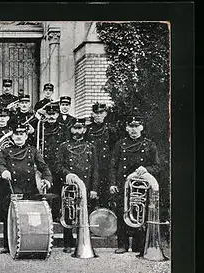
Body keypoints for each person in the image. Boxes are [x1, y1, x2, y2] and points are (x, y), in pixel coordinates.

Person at [0, 123, 53, 254]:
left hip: (29, 189)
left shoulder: (33, 151)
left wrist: (48, 180)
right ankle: (8, 244)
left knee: (29, 217)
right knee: (9, 217)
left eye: (22, 134)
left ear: (26, 136)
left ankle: (30, 243)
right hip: (12, 189)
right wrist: (3, 171)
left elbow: (44, 167)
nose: (19, 137)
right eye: (16, 134)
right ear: (12, 136)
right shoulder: (5, 151)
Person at [109, 115, 160, 254]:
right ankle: (122, 245)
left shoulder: (149, 145)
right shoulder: (120, 144)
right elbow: (113, 166)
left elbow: (157, 166)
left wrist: (146, 169)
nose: (133, 129)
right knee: (122, 213)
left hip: (141, 187)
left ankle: (139, 246)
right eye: (131, 126)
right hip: (123, 185)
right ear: (126, 128)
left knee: (140, 214)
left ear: (141, 128)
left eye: (136, 126)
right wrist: (112, 183)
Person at [56, 118, 99, 253]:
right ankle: (68, 243)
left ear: (84, 130)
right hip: (70, 184)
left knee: (85, 213)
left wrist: (94, 188)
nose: (77, 131)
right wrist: (67, 174)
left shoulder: (91, 147)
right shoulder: (64, 146)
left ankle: (85, 243)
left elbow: (95, 169)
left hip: (86, 185)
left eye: (80, 128)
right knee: (69, 213)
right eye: (74, 128)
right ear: (70, 129)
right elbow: (58, 165)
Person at [35, 101, 69, 222]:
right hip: (44, 162)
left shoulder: (64, 129)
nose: (51, 116)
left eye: (54, 114)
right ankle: (44, 214)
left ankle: (55, 214)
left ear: (57, 114)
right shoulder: (40, 127)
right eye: (48, 114)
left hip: (58, 163)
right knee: (43, 188)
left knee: (57, 189)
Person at [85, 103, 119, 207]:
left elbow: (115, 149)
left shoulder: (111, 130)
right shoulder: (87, 130)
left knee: (105, 196)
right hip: (91, 167)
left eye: (101, 112)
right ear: (92, 114)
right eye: (96, 113)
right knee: (91, 196)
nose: (98, 115)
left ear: (105, 114)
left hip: (106, 166)